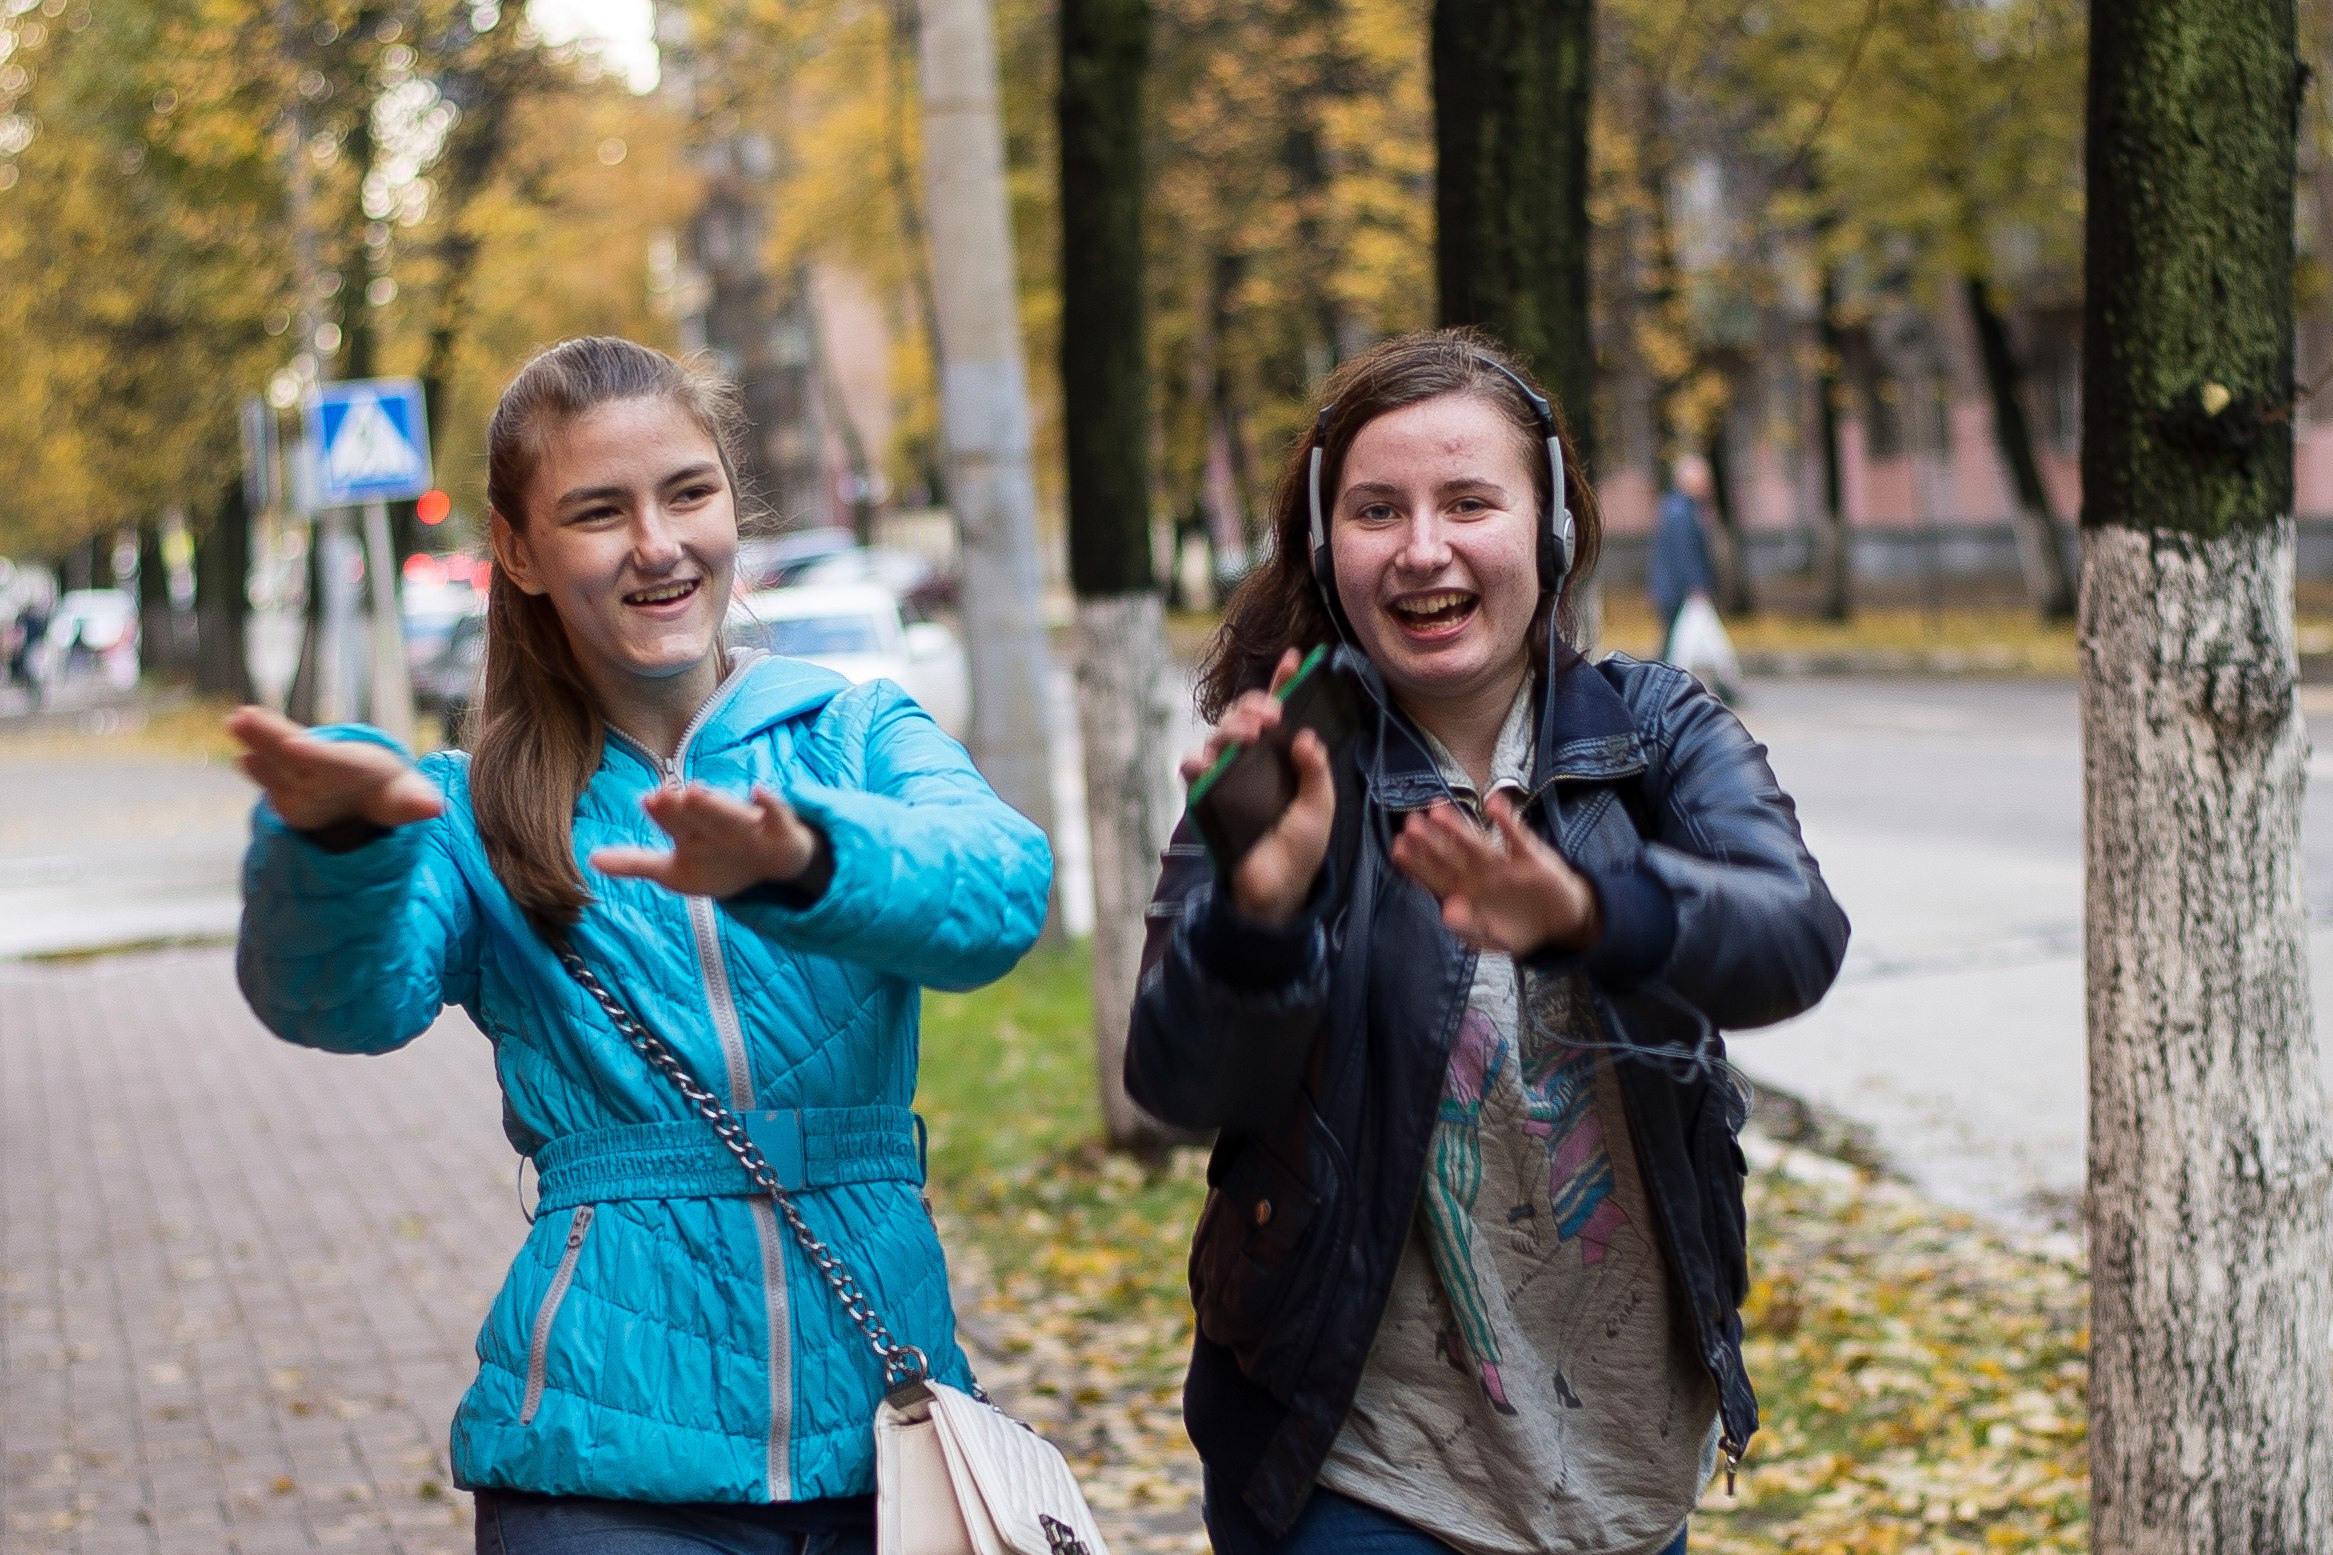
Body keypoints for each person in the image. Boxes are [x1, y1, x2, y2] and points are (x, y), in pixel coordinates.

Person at [229, 337, 1051, 1554]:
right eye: (597, 512)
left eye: (687, 493)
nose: (657, 546)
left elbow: (999, 894)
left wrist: (799, 860)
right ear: (515, 551)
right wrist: (338, 848)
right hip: (599, 1464)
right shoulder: (474, 811)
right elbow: (345, 1004)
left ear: (732, 502)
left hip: (888, 1435)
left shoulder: (855, 730)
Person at [1126, 330, 1848, 1554]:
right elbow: (1179, 1082)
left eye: (1468, 501)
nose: (1421, 549)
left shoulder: (1654, 732)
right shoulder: (1289, 768)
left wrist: (1587, 912)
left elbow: (1793, 936)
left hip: (1622, 1470)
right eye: (1375, 509)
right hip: (1358, 1467)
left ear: (1550, 526)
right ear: (1323, 539)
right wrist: (1263, 913)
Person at [1647, 453, 1719, 642]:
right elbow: (1685, 553)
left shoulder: (1676, 506)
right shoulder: (1682, 511)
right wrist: (1697, 585)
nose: (1707, 483)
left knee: (1673, 642)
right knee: (1674, 643)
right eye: (1703, 478)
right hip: (1677, 590)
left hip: (1671, 588)